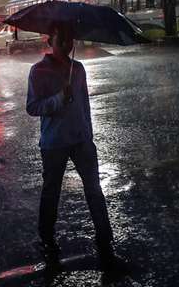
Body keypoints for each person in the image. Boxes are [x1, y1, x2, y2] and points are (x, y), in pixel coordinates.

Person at [26, 26, 121, 271]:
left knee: (94, 190)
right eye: (61, 39)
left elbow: (85, 105)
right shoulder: (38, 71)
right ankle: (47, 240)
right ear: (50, 41)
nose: (67, 43)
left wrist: (88, 134)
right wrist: (59, 98)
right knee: (51, 193)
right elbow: (32, 107)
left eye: (69, 39)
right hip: (54, 143)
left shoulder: (77, 69)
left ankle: (105, 239)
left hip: (81, 141)